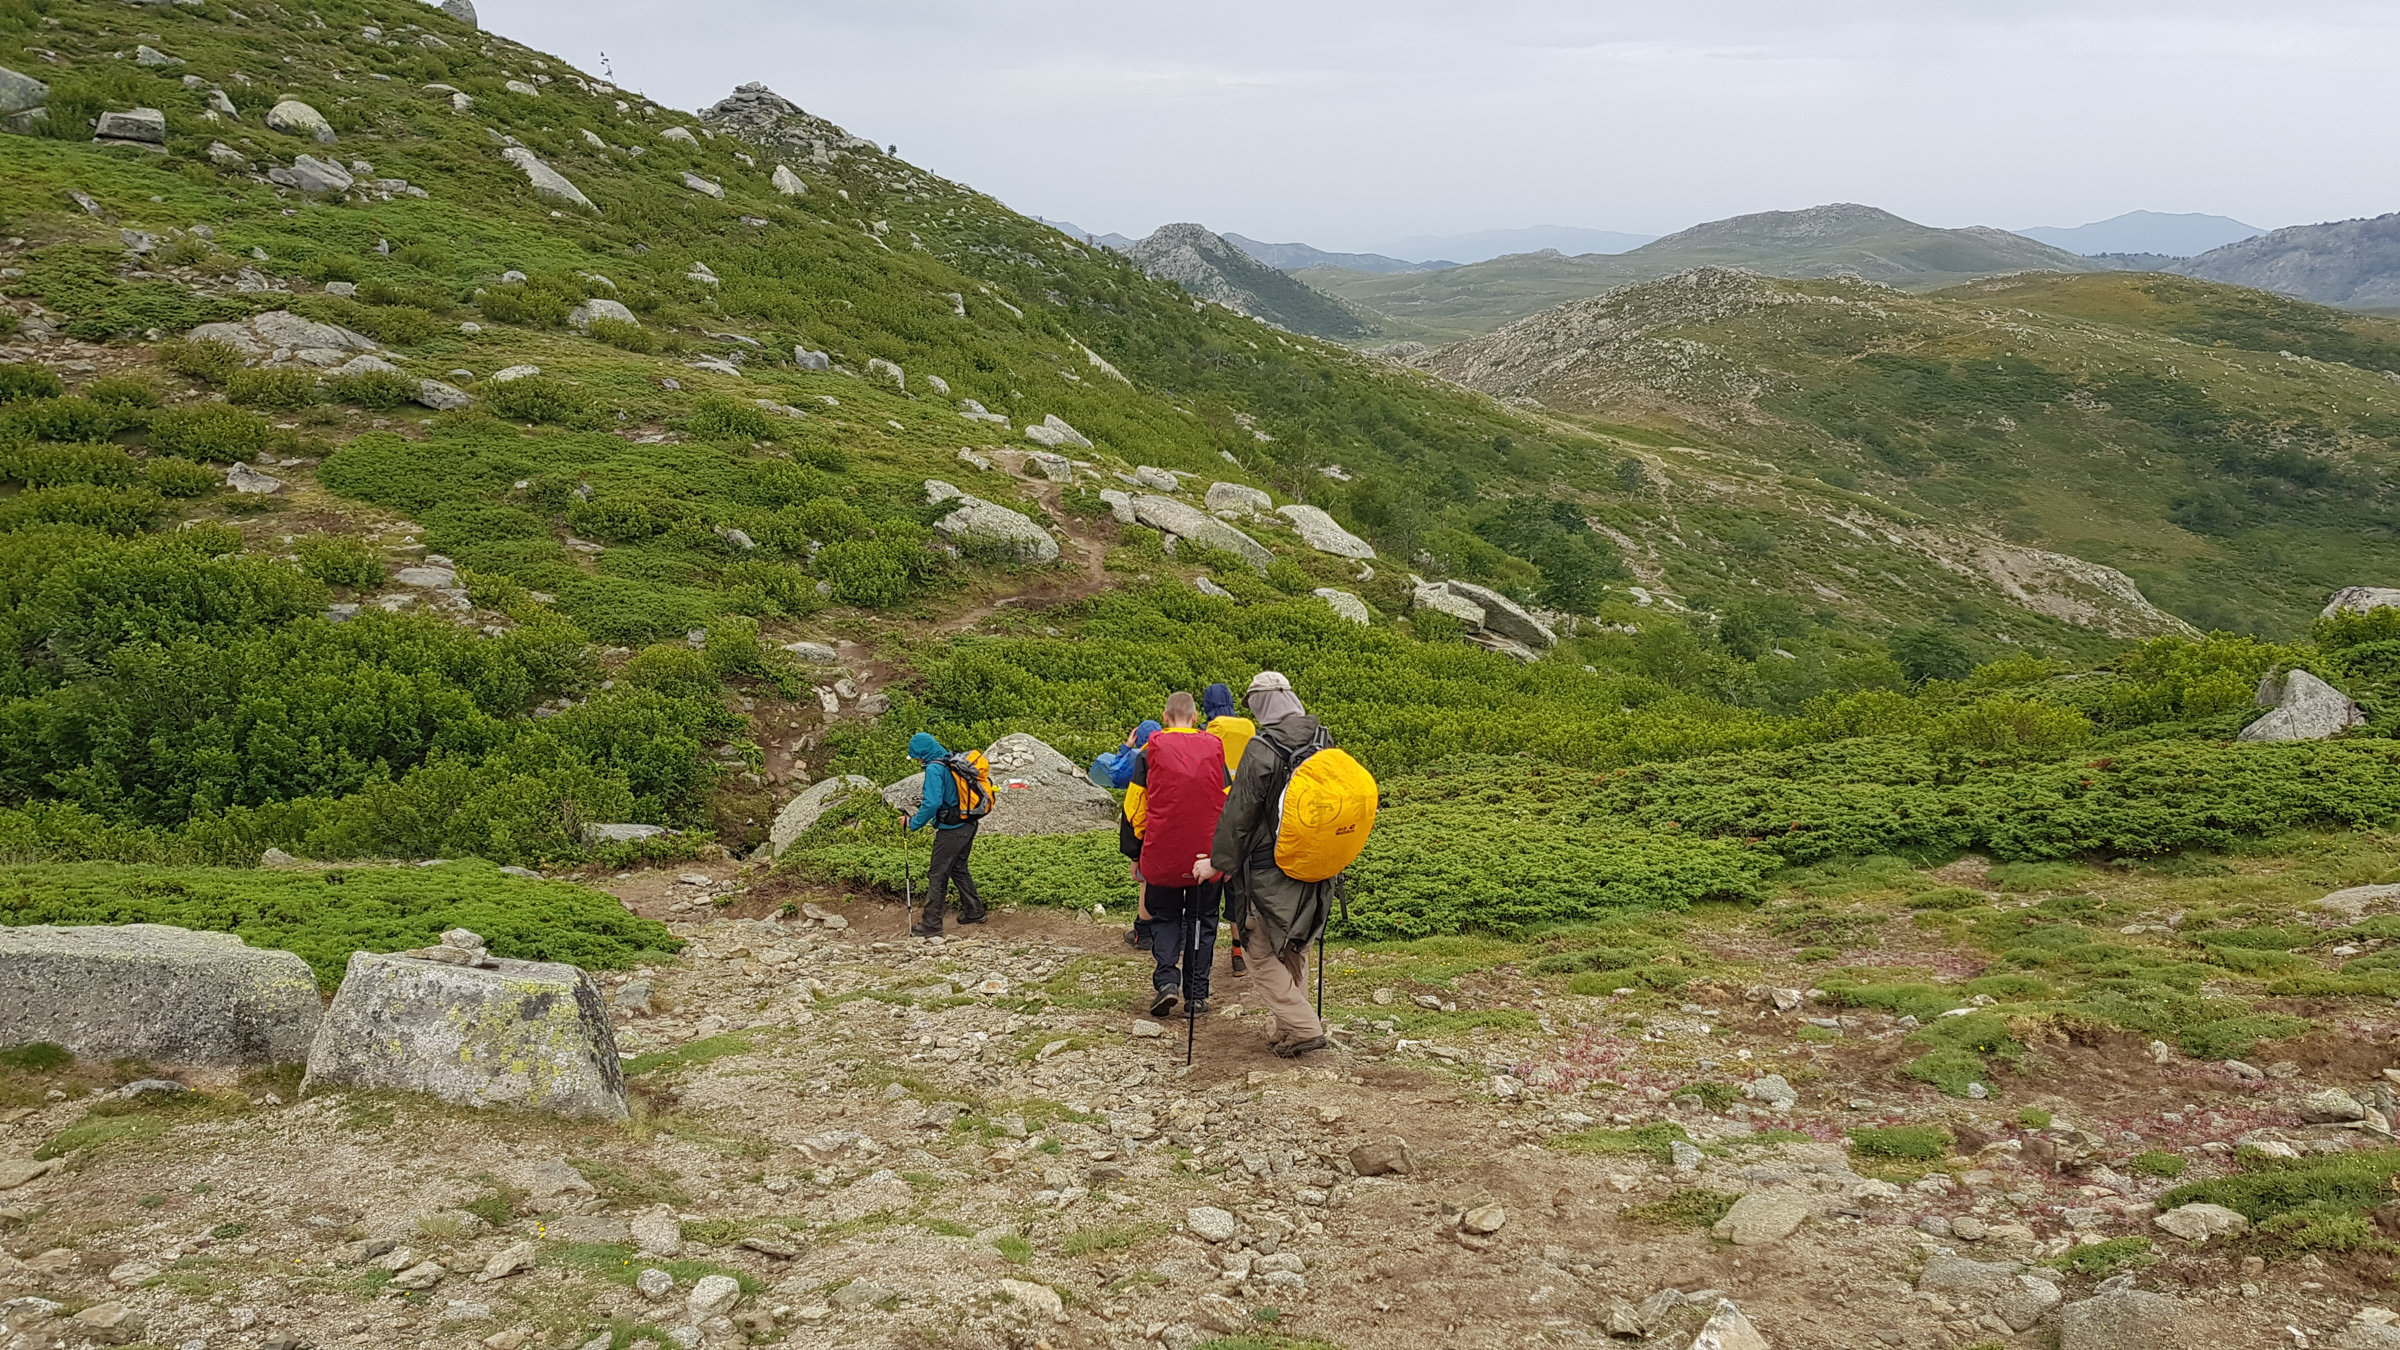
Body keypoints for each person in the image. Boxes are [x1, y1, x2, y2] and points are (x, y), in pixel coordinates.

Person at [1197, 671, 1331, 1057]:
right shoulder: (1322, 739)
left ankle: (1305, 1027)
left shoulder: (1263, 747)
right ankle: (1289, 1028)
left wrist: (1217, 862)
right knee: (1294, 944)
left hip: (1268, 866)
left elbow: (1239, 814)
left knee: (1257, 951)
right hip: (1314, 860)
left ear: (1261, 705)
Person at [1124, 691, 1229, 1017]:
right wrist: (1225, 853)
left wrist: (1135, 853)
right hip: (1205, 858)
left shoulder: (1149, 751)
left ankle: (1167, 982)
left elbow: (1134, 809)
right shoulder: (1214, 748)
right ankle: (1196, 996)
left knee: (1166, 917)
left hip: (1161, 854)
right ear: (1196, 718)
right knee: (1203, 921)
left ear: (1165, 717)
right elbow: (1227, 802)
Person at [1200, 683, 1257, 974]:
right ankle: (1238, 951)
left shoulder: (1209, 731)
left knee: (1209, 884)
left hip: (1214, 817)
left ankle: (1200, 957)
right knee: (1238, 888)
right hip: (1244, 817)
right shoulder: (1248, 728)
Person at [903, 732, 984, 936]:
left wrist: (912, 823)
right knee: (958, 868)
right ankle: (974, 911)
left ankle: (931, 924)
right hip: (969, 823)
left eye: (916, 756)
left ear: (922, 754)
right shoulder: (951, 761)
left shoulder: (934, 769)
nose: (917, 760)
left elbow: (932, 803)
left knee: (937, 874)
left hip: (951, 830)